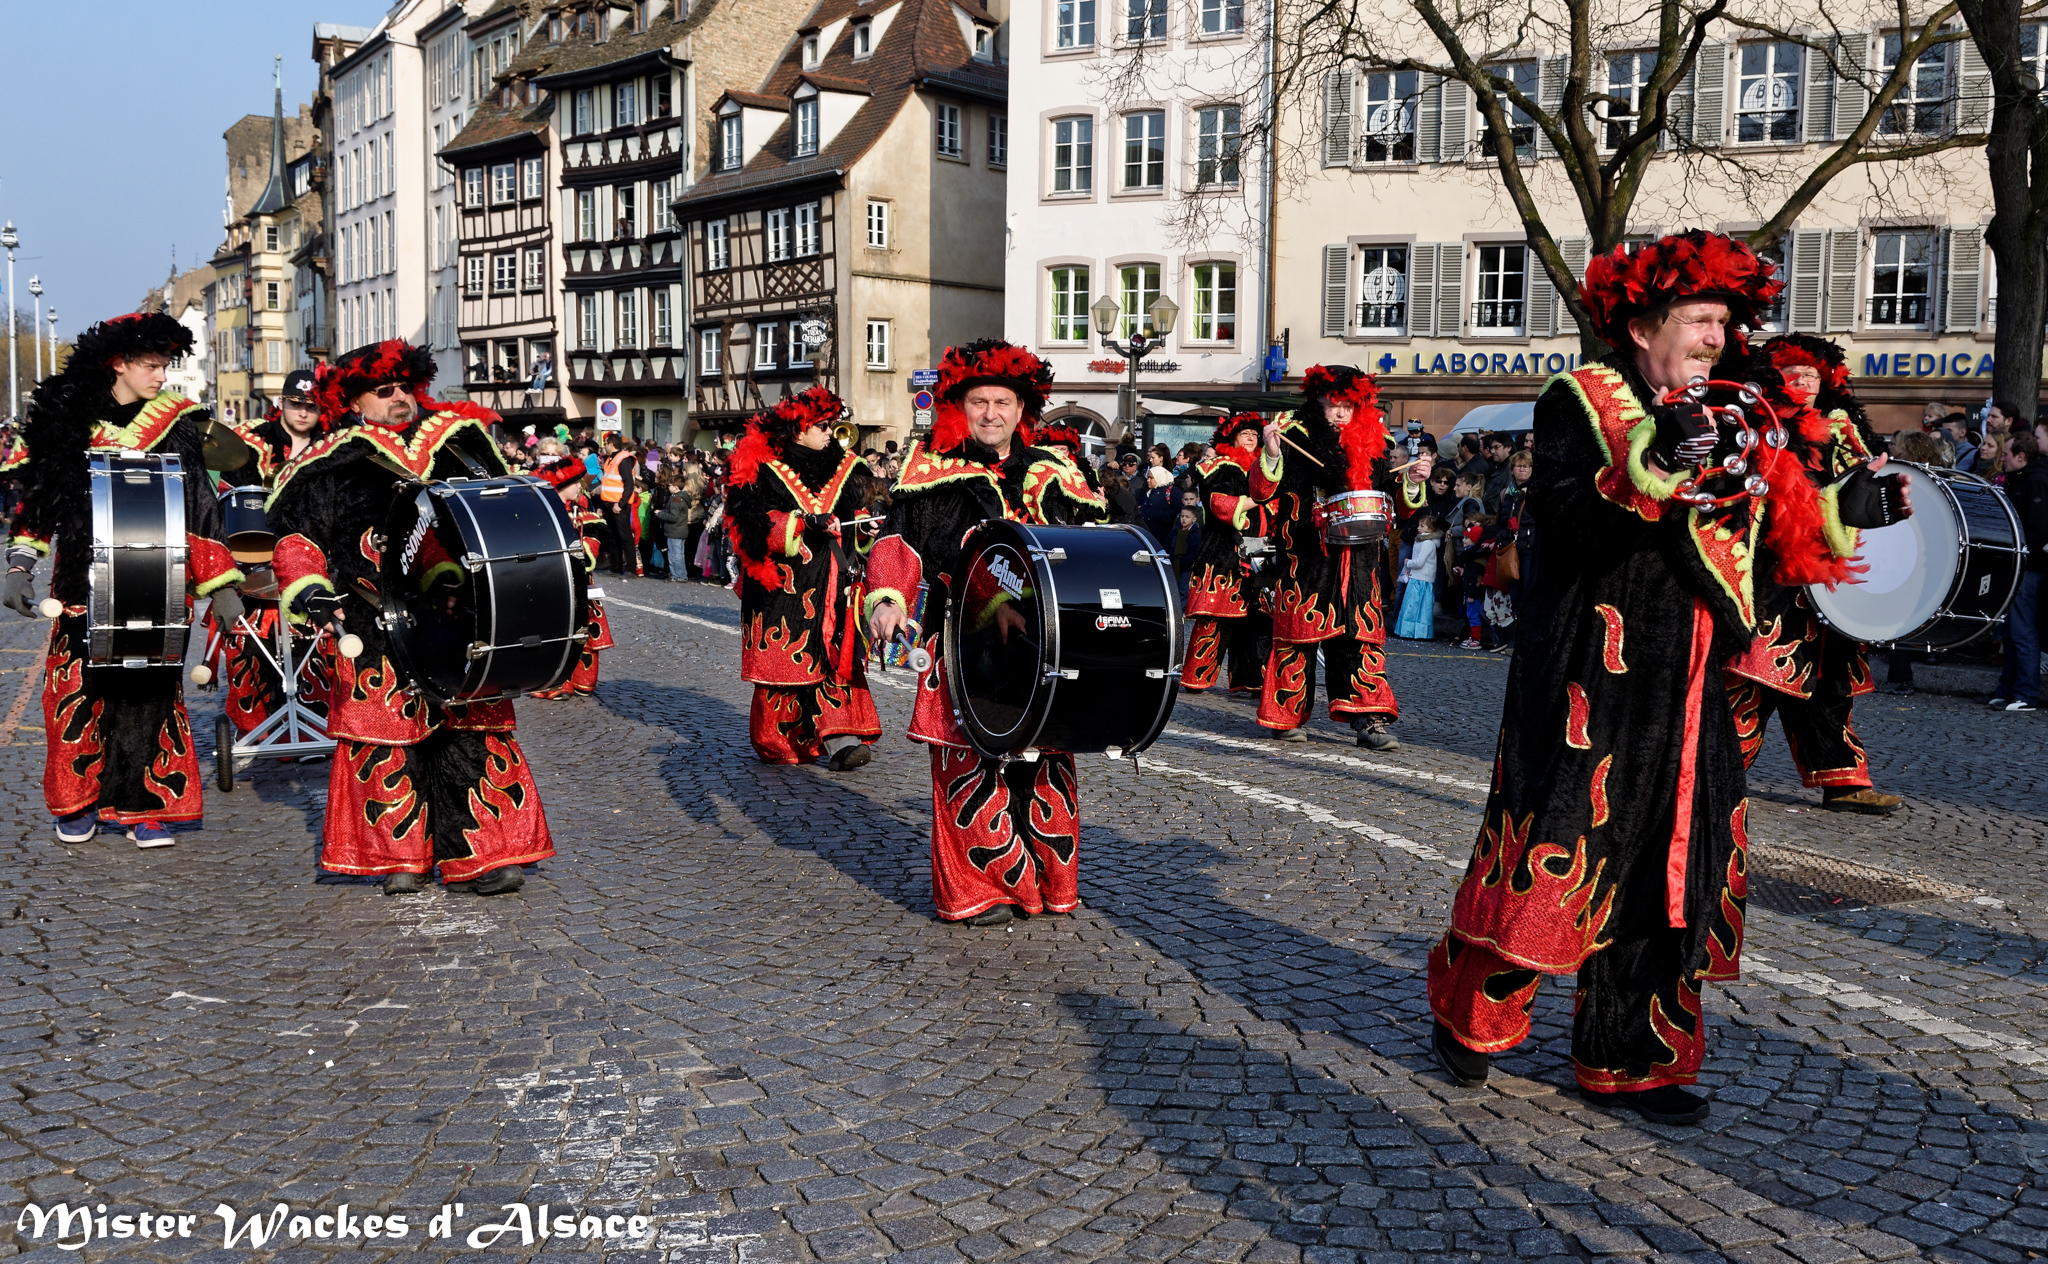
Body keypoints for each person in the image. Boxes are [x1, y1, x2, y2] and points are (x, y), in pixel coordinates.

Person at [1426, 231, 1908, 1125]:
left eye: (1724, 322)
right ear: (1645, 325)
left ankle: (1634, 1057)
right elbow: (1568, 523)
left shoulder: (1742, 412)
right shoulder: (1582, 399)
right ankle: (1473, 1012)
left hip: (1698, 680)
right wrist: (1653, 466)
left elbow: (1762, 543)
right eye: (1699, 319)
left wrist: (1841, 511)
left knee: (1676, 867)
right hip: (1591, 665)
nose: (1717, 338)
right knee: (1559, 842)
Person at [267, 340, 555, 895]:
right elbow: (298, 539)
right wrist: (309, 590)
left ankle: (484, 854)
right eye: (384, 390)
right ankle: (401, 854)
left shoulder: (461, 442)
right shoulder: (327, 463)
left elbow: (507, 509)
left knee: (472, 734)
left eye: (405, 386)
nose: (399, 397)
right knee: (386, 740)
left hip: (462, 614)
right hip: (371, 622)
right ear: (354, 402)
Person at [864, 339, 1106, 926]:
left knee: (1044, 763)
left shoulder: (1057, 472)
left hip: (1042, 647)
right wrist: (888, 599)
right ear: (961, 406)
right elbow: (897, 543)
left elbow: (1090, 547)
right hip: (959, 641)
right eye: (980, 402)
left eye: (1002, 402)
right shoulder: (930, 471)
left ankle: (1046, 880)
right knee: (966, 763)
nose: (991, 413)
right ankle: (985, 888)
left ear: (1022, 409)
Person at [2, 313, 246, 847]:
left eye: (165, 365)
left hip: (161, 584)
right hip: (80, 583)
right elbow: (42, 500)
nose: (162, 376)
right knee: (78, 693)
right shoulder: (66, 417)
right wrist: (20, 565)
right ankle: (79, 802)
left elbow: (199, 506)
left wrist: (222, 585)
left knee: (149, 697)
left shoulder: (177, 423)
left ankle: (143, 804)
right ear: (119, 363)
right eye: (152, 366)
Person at [1725, 333, 1904, 813]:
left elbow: (1863, 493)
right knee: (1755, 676)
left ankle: (1844, 781)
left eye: (1812, 375)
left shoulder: (1844, 431)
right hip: (1772, 577)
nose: (1805, 381)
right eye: (1794, 373)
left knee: (1830, 682)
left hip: (1829, 579)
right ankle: (1713, 773)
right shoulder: (1756, 424)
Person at [1251, 365, 1431, 750]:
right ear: (1318, 401)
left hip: (1360, 558)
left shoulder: (1375, 439)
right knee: (1298, 636)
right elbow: (1262, 491)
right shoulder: (1292, 435)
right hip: (1307, 554)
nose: (1340, 412)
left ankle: (1369, 720)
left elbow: (1394, 502)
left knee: (1360, 637)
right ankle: (1285, 716)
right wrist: (1270, 454)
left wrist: (1413, 481)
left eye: (1348, 405)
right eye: (1334, 404)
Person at [726, 387, 883, 769]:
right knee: (787, 667)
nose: (831, 433)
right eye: (823, 426)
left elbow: (852, 517)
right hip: (784, 591)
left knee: (835, 660)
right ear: (798, 429)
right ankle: (781, 741)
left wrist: (864, 526)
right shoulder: (761, 467)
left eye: (833, 425)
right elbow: (749, 527)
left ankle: (841, 739)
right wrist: (800, 523)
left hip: (833, 583)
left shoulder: (845, 467)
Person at [211, 367, 332, 739]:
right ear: (282, 403)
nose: (303, 412)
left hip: (314, 560)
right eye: (296, 404)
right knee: (249, 643)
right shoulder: (253, 442)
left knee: (318, 644)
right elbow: (230, 501)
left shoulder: (333, 445)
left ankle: (314, 724)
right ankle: (259, 729)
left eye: (311, 406)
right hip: (257, 559)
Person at [1183, 414, 1271, 693]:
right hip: (1224, 554)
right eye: (1245, 433)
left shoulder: (1265, 467)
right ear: (1231, 438)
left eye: (1255, 434)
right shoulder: (1219, 467)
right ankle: (1196, 678)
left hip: (1261, 553)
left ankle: (1252, 679)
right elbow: (1220, 504)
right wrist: (1257, 499)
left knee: (1258, 621)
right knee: (1215, 617)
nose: (1251, 438)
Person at [1991, 429, 2047, 712]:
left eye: (2006, 454)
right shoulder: (2024, 480)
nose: (2002, 458)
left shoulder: (2036, 482)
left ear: (2021, 456)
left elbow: (2038, 531)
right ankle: (2008, 690)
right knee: (2011, 631)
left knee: (2022, 630)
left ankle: (2025, 693)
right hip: (2018, 565)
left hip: (2028, 568)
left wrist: (2022, 556)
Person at [1394, 516, 1444, 640]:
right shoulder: (1421, 540)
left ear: (1430, 529)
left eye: (1422, 526)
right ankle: (1413, 632)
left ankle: (1414, 632)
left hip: (1421, 579)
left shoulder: (1428, 543)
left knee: (1415, 607)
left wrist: (1408, 563)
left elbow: (1419, 562)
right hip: (1417, 578)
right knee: (1418, 607)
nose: (1418, 528)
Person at [596, 433, 638, 576]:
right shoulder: (610, 459)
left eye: (605, 444)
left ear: (611, 445)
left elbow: (629, 485)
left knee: (625, 537)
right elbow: (608, 485)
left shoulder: (623, 460)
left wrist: (620, 504)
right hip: (609, 503)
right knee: (613, 537)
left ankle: (631, 569)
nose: (604, 447)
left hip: (619, 505)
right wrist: (602, 506)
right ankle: (615, 568)